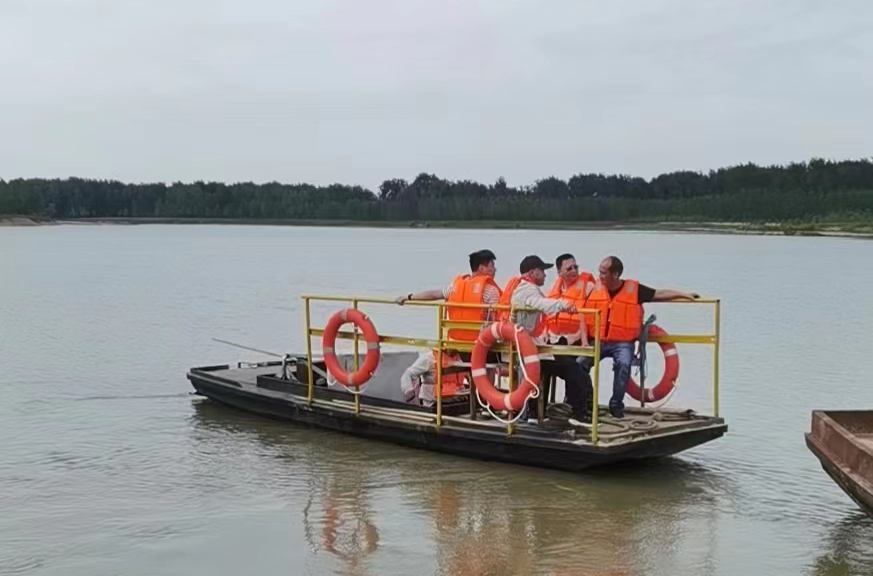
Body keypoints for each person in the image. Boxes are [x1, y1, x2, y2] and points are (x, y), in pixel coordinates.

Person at [579, 256, 699, 418]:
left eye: (604, 273)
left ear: (616, 274)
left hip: (622, 343)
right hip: (598, 341)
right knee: (579, 364)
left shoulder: (635, 290)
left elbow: (659, 293)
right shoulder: (594, 289)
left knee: (623, 364)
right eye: (599, 272)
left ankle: (616, 404)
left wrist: (683, 294)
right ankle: (586, 401)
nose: (600, 276)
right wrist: (584, 342)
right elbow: (582, 314)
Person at [510, 255, 593, 422]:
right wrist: (565, 305)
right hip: (530, 352)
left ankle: (535, 414)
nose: (545, 275)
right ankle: (580, 413)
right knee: (574, 369)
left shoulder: (524, 289)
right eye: (542, 271)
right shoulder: (527, 292)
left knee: (565, 366)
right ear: (533, 272)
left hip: (531, 349)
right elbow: (542, 304)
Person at [395, 249, 501, 343]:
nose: (495, 269)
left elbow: (433, 295)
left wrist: (408, 297)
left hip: (456, 341)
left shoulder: (454, 287)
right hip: (480, 345)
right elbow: (496, 321)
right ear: (481, 268)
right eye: (492, 266)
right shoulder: (491, 291)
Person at [546, 253, 595, 346]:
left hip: (577, 339)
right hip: (554, 338)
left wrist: (581, 339)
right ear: (559, 272)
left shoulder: (589, 287)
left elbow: (590, 318)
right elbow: (546, 316)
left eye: (575, 267)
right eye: (569, 269)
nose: (574, 271)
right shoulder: (552, 290)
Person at [400, 349, 468, 407]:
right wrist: (408, 389)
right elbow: (408, 374)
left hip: (458, 401)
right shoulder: (429, 358)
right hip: (434, 403)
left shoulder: (460, 358)